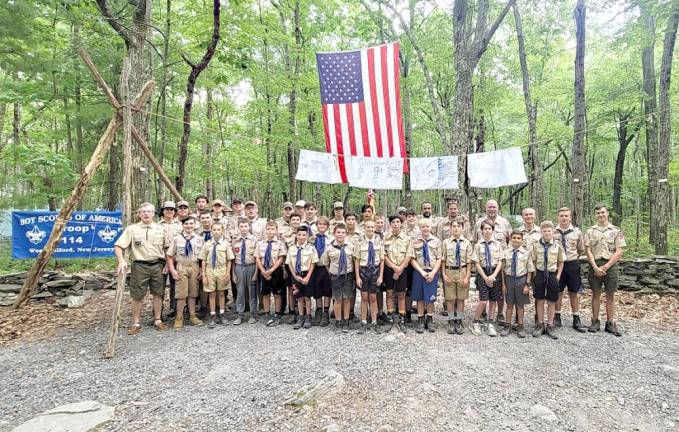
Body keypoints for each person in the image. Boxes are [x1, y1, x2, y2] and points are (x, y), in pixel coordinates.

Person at [114, 203, 168, 334]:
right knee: (137, 295)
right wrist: (121, 261)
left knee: (158, 293)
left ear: (153, 213)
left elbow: (167, 248)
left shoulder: (161, 229)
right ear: (139, 214)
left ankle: (158, 320)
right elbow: (118, 246)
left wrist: (167, 264)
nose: (146, 214)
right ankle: (136, 323)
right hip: (139, 265)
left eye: (149, 211)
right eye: (143, 211)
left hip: (158, 265)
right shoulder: (132, 229)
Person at [584, 205, 626, 336]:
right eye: (598, 213)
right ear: (595, 215)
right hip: (595, 264)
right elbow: (588, 250)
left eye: (603, 212)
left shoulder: (616, 231)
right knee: (595, 294)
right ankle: (595, 321)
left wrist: (606, 266)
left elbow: (619, 251)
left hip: (610, 265)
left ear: (607, 213)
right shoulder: (590, 231)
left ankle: (610, 323)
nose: (600, 215)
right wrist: (595, 267)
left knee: (610, 295)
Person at [473, 199, 513, 324]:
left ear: (498, 208)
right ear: (486, 208)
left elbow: (510, 239)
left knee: (499, 290)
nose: (491, 209)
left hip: (500, 261)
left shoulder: (504, 222)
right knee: (483, 292)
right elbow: (474, 240)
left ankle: (499, 314)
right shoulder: (479, 222)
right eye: (489, 207)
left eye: (494, 207)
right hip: (483, 262)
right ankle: (482, 314)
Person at [166, 215, 205, 329]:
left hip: (194, 266)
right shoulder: (177, 239)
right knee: (181, 294)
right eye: (186, 224)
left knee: (193, 293)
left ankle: (192, 315)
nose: (189, 226)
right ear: (182, 225)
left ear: (195, 225)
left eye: (191, 224)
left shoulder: (199, 239)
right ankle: (179, 317)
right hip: (181, 267)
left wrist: (201, 270)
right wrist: (172, 270)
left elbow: (203, 257)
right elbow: (169, 255)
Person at [530, 221, 564, 340]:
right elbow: (533, 260)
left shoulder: (557, 245)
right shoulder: (536, 245)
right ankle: (540, 324)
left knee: (551, 301)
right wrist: (534, 274)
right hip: (539, 273)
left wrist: (558, 276)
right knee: (539, 300)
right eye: (544, 231)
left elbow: (561, 261)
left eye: (549, 230)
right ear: (541, 232)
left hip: (552, 274)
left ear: (553, 231)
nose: (547, 233)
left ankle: (550, 324)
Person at [555, 207, 587, 332]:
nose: (564, 218)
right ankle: (557, 316)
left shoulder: (577, 232)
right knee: (558, 292)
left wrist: (572, 258)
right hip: (558, 265)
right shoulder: (553, 232)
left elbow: (580, 249)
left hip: (572, 264)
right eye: (561, 215)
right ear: (558, 217)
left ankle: (576, 318)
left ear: (570, 217)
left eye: (566, 216)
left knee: (574, 292)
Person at [471, 221, 504, 337]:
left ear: (493, 230)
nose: (487, 231)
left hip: (494, 273)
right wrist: (485, 277)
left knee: (493, 300)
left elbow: (500, 261)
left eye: (489, 228)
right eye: (485, 229)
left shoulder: (498, 245)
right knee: (483, 300)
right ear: (481, 231)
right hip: (482, 273)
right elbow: (476, 262)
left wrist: (493, 276)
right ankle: (475, 321)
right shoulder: (478, 245)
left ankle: (490, 322)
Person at [199, 221, 234, 328]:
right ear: (211, 231)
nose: (216, 232)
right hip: (210, 270)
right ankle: (213, 315)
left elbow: (229, 260)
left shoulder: (226, 244)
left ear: (222, 231)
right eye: (214, 229)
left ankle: (222, 314)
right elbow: (203, 260)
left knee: (222, 293)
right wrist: (204, 274)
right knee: (212, 294)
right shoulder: (207, 244)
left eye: (219, 229)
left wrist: (228, 273)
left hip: (222, 270)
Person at [321, 224, 355, 332]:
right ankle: (338, 320)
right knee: (337, 298)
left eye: (343, 232)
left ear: (346, 234)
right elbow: (326, 263)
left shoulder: (351, 246)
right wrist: (331, 272)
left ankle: (346, 320)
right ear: (334, 234)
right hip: (335, 275)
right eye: (338, 232)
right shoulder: (329, 248)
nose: (341, 234)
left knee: (347, 298)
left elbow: (354, 261)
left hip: (348, 275)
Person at [441, 219, 472, 335]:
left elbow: (469, 262)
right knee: (450, 298)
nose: (456, 228)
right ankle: (450, 320)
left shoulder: (467, 243)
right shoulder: (445, 243)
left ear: (462, 228)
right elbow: (443, 260)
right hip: (449, 271)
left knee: (461, 298)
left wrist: (467, 276)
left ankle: (459, 320)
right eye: (453, 226)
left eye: (458, 226)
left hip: (462, 271)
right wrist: (443, 274)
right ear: (450, 228)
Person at [410, 219, 442, 334]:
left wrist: (433, 273)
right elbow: (412, 259)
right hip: (419, 272)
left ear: (431, 227)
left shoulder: (437, 242)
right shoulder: (415, 241)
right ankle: (420, 319)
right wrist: (421, 271)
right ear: (420, 228)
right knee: (419, 297)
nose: (425, 228)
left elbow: (439, 259)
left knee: (430, 297)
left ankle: (430, 318)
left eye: (427, 226)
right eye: (423, 226)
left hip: (432, 271)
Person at [500, 231, 534, 338]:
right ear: (510, 239)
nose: (516, 240)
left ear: (522, 240)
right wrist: (503, 284)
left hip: (521, 280)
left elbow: (530, 270)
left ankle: (520, 326)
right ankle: (507, 325)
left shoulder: (526, 253)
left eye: (518, 238)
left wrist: (527, 285)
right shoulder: (506, 252)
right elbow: (502, 270)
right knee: (509, 304)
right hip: (509, 280)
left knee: (520, 305)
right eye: (514, 237)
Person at [354, 220, 384, 334]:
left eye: (372, 227)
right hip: (363, 271)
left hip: (375, 271)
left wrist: (381, 276)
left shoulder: (379, 241)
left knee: (373, 298)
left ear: (375, 228)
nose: (370, 229)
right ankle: (363, 321)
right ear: (364, 228)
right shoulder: (359, 242)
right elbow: (356, 260)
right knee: (364, 298)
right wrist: (357, 277)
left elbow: (382, 260)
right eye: (368, 227)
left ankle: (374, 321)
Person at [383, 215, 413, 333]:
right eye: (393, 222)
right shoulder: (386, 238)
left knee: (401, 294)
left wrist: (400, 268)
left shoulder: (407, 239)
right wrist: (394, 267)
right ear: (390, 224)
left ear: (401, 224)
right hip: (390, 269)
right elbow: (383, 255)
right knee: (389, 293)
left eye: (398, 222)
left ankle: (401, 320)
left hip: (402, 269)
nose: (395, 224)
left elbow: (409, 255)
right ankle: (390, 318)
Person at [255, 220, 287, 326]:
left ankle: (277, 314)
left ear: (276, 230)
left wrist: (271, 270)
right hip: (264, 270)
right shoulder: (260, 243)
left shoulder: (280, 244)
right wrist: (263, 271)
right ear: (265, 230)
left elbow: (281, 258)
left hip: (276, 271)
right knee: (265, 293)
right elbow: (258, 258)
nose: (270, 231)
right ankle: (267, 313)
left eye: (272, 229)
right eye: (268, 229)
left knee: (277, 293)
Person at [286, 226, 318, 330]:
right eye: (299, 234)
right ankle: (300, 317)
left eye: (304, 235)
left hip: (307, 274)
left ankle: (308, 316)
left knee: (307, 297)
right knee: (299, 297)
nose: (301, 237)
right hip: (296, 275)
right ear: (296, 235)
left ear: (307, 236)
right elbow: (289, 262)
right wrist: (294, 275)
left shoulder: (311, 248)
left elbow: (313, 263)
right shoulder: (292, 248)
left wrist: (308, 276)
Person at [231, 217, 259, 325]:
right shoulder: (235, 241)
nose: (243, 228)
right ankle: (240, 314)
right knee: (240, 292)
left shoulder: (254, 240)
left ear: (249, 227)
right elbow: (233, 258)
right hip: (239, 267)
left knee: (252, 292)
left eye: (246, 226)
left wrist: (256, 273)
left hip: (251, 267)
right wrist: (233, 273)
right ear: (238, 228)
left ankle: (253, 314)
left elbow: (257, 259)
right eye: (241, 226)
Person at [159, 200, 181, 318]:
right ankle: (158, 311)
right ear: (162, 211)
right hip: (161, 259)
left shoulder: (180, 226)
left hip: (176, 259)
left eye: (172, 209)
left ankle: (174, 308)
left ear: (175, 212)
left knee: (176, 285)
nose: (169, 211)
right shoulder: (157, 226)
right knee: (159, 286)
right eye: (167, 209)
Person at [310, 217, 332, 326]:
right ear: (316, 226)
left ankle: (326, 313)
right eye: (319, 224)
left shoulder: (331, 239)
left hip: (326, 267)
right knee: (317, 290)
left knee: (327, 290)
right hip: (315, 267)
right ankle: (318, 311)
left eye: (324, 225)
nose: (322, 226)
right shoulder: (312, 239)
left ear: (327, 226)